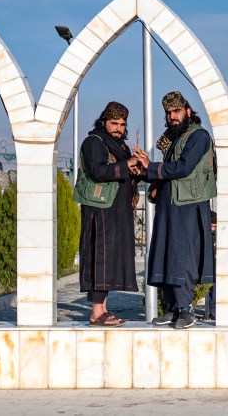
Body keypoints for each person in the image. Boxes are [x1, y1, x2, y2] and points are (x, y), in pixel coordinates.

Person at [133, 91, 216, 329]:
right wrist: (146, 170)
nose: (172, 117)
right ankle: (173, 308)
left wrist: (152, 167)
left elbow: (184, 167)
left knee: (183, 256)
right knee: (166, 255)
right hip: (170, 205)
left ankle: (186, 309)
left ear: (188, 112)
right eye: (168, 113)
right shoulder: (176, 138)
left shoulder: (198, 136)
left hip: (187, 205)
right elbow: (168, 170)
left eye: (176, 111)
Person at [74, 101, 141, 327]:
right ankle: (96, 312)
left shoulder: (119, 146)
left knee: (110, 260)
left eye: (122, 125)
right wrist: (127, 164)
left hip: (115, 210)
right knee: (99, 258)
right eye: (114, 123)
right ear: (104, 121)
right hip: (99, 210)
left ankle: (102, 309)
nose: (119, 129)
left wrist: (137, 169)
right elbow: (97, 170)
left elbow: (122, 170)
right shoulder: (95, 142)